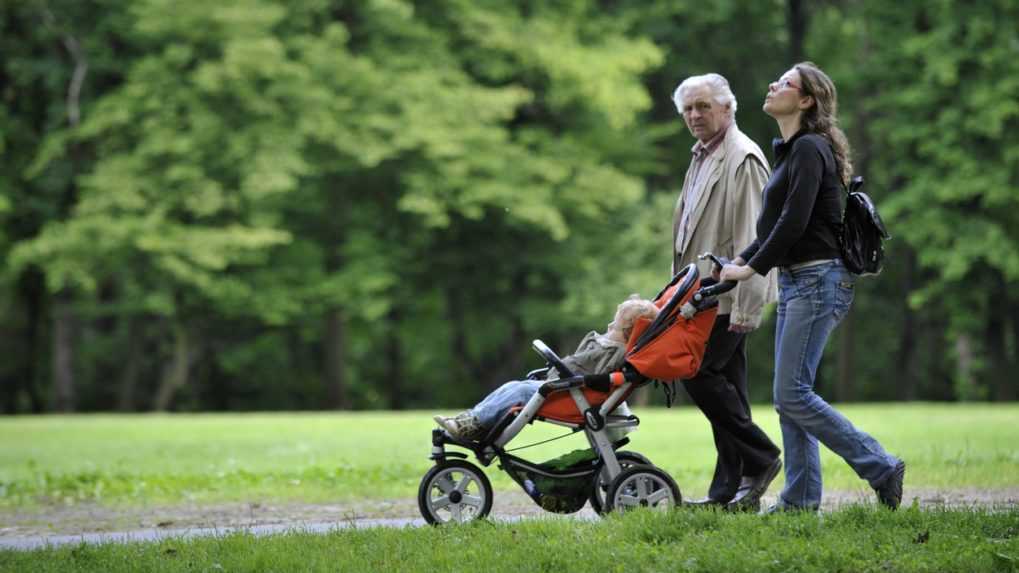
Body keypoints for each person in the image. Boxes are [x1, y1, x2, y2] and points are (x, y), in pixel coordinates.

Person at [720, 62, 905, 512]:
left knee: (792, 394)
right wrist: (741, 260)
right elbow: (776, 225)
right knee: (791, 396)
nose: (772, 84)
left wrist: (752, 268)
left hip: (818, 279)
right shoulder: (792, 150)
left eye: (785, 83)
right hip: (800, 279)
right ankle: (800, 501)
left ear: (805, 101)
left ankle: (880, 465)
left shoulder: (808, 148)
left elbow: (795, 221)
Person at [671, 73, 782, 512]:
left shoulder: (743, 158)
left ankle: (762, 456)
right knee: (728, 390)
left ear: (728, 108)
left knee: (695, 371)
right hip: (701, 296)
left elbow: (754, 237)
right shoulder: (702, 155)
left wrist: (746, 308)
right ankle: (730, 493)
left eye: (703, 106)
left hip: (726, 296)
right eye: (688, 109)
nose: (694, 115)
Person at [434, 296, 659, 442]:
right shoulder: (609, 345)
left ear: (628, 330)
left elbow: (598, 378)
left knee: (520, 391)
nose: (608, 326)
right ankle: (473, 422)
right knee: (515, 386)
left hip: (573, 396)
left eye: (614, 324)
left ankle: (471, 425)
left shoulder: (616, 352)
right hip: (567, 391)